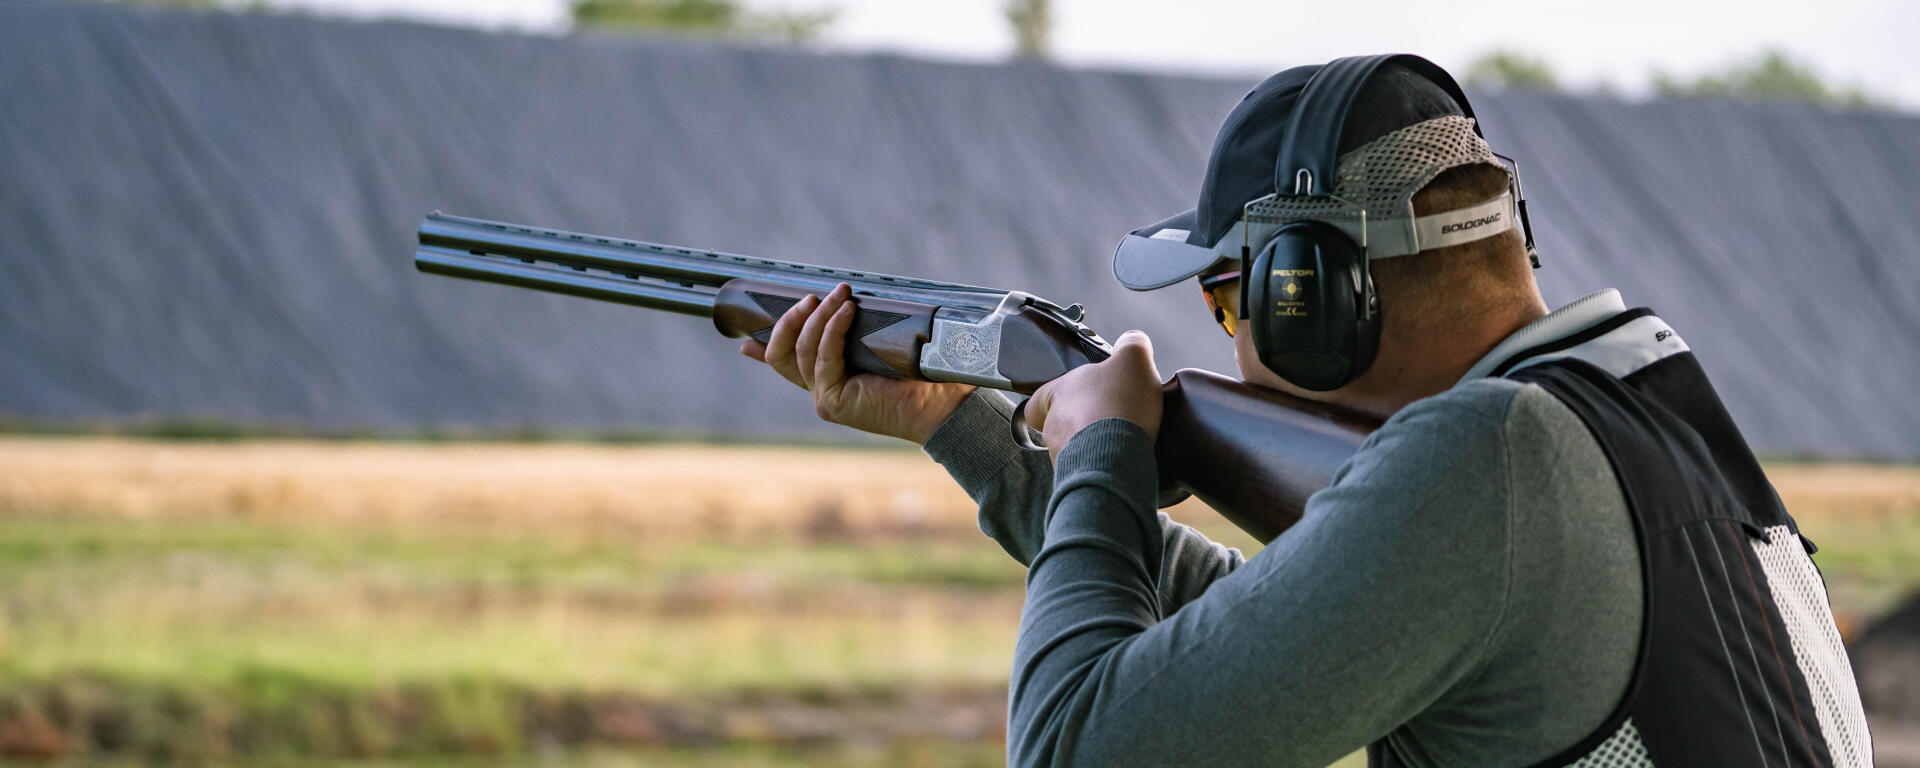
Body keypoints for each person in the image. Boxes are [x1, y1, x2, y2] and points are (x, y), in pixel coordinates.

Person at [742, 55, 1872, 768]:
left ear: (1312, 296)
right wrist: (966, 425)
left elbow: (1076, 746)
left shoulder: (1491, 457)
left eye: (1229, 298)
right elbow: (1279, 637)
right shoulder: (1642, 406)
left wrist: (1101, 443)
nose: (1225, 339)